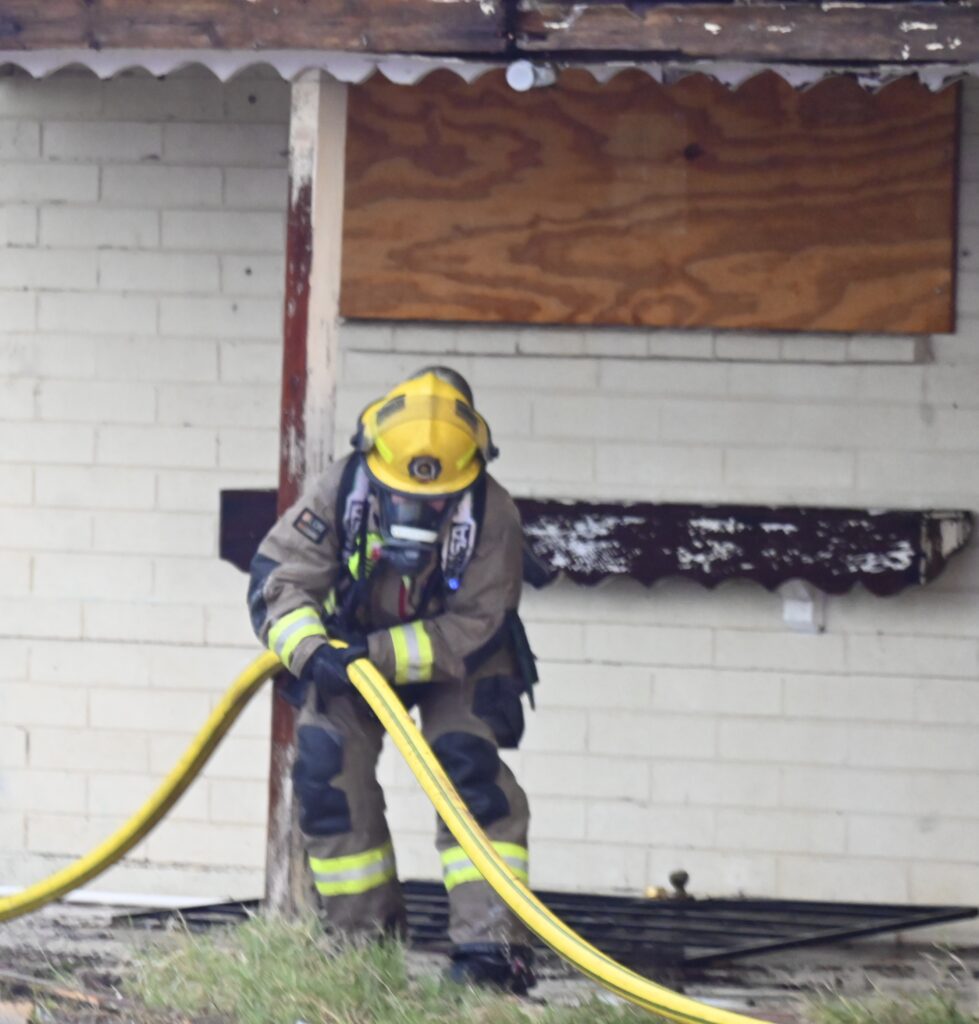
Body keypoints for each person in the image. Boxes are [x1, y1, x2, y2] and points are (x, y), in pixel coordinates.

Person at [248, 366, 537, 993]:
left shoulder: (493, 512)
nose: (415, 510)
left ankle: (492, 951)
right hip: (346, 652)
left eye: (433, 502)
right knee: (326, 769)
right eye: (401, 495)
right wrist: (312, 651)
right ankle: (362, 945)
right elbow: (280, 578)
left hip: (458, 658)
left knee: (470, 771)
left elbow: (477, 622)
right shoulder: (339, 489)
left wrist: (371, 655)